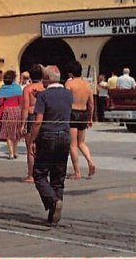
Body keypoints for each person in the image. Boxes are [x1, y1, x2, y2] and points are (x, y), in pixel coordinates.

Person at [28, 65, 73, 224]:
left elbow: (38, 121)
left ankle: (53, 201)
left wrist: (32, 139)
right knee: (58, 176)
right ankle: (54, 212)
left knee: (39, 173)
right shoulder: (68, 94)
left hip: (47, 135)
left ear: (46, 79)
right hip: (64, 136)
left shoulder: (44, 96)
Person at [65, 61, 96, 179]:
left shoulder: (69, 84)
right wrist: (90, 117)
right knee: (81, 143)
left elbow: (66, 100)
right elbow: (91, 104)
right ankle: (90, 161)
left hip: (73, 112)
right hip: (83, 112)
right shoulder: (87, 85)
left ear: (71, 73)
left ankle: (77, 172)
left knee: (72, 144)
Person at [20, 64, 45, 183]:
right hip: (43, 116)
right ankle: (42, 172)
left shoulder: (27, 89)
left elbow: (25, 107)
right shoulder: (44, 88)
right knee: (42, 146)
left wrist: (23, 124)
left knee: (30, 146)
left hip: (31, 115)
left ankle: (31, 175)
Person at [0, 69, 23, 159]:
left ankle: (11, 153)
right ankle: (15, 150)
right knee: (16, 132)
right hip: (17, 111)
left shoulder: (2, 89)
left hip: (6, 112)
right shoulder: (17, 88)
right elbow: (21, 101)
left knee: (8, 133)